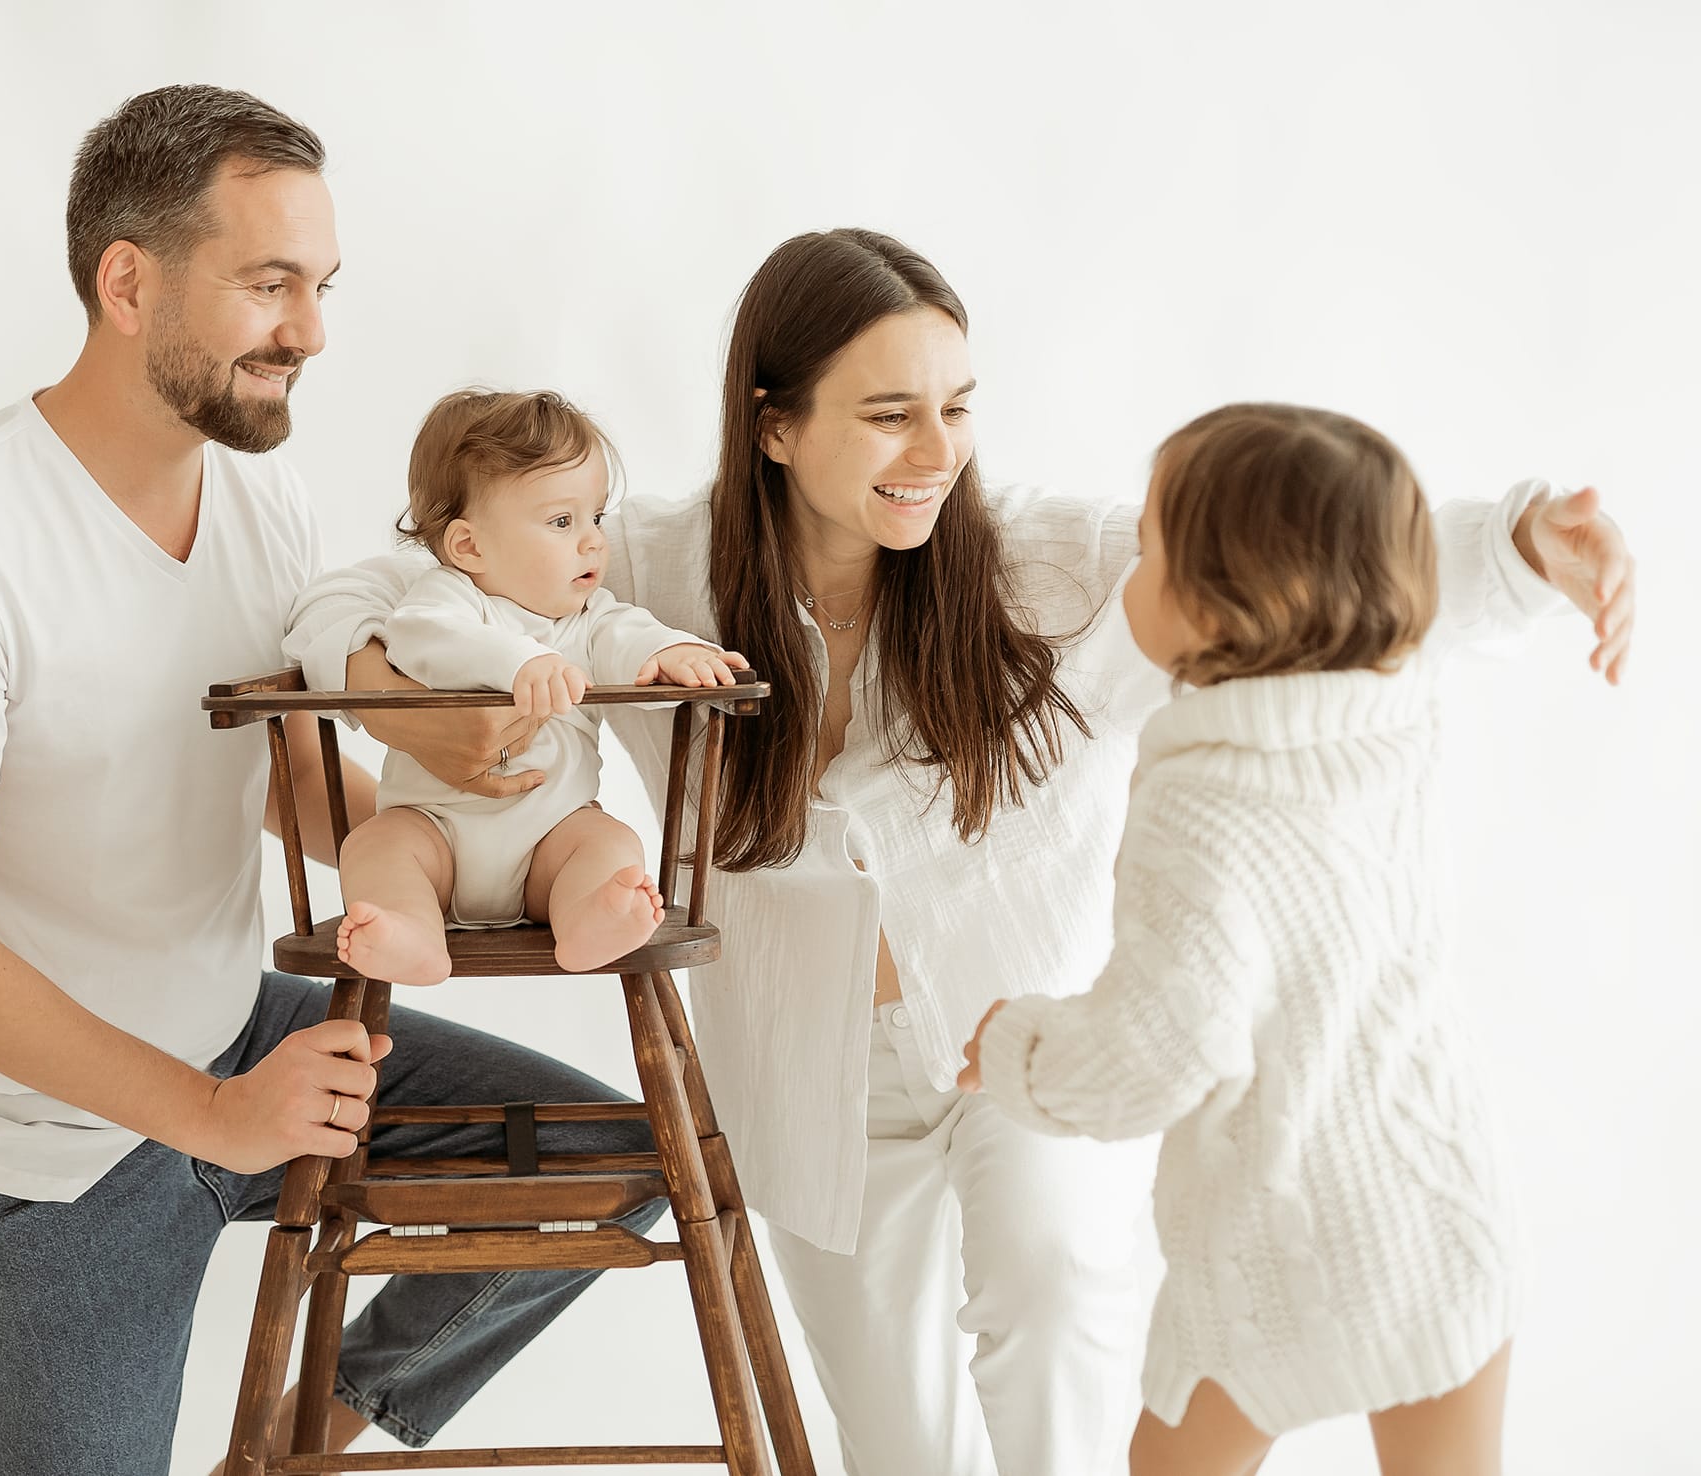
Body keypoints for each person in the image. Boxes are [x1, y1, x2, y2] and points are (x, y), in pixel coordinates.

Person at [282, 231, 1634, 1474]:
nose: (937, 449)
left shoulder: (1054, 561)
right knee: (898, 1442)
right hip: (808, 1071)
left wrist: (1521, 548)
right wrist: (383, 682)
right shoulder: (638, 560)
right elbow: (386, 579)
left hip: (1026, 1041)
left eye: (958, 406)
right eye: (888, 413)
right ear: (775, 426)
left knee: (1053, 1313)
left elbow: (1305, 558)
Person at [0, 85, 659, 1476]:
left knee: (598, 1156)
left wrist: (494, 845)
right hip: (36, 1150)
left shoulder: (262, 502)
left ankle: (269, 1456)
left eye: (319, 286)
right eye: (270, 285)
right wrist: (213, 1114)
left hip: (238, 1038)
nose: (311, 331)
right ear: (127, 284)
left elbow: (289, 786)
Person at [960, 402, 1525, 1475]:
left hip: (1276, 1258)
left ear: (1225, 603)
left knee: (1168, 1467)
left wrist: (1016, 1050)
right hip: (1445, 1211)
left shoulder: (1201, 806)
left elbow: (1154, 1055)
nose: (1131, 561)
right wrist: (1530, 548)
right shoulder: (1394, 723)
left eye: (1154, 544)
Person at [325, 387, 745, 984]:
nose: (594, 539)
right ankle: (410, 931)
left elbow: (630, 638)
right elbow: (422, 639)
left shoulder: (590, 617)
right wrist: (520, 661)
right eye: (561, 521)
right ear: (469, 545)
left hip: (553, 837)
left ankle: (588, 920)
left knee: (611, 843)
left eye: (595, 517)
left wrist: (671, 652)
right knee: (373, 846)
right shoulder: (446, 601)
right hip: (434, 829)